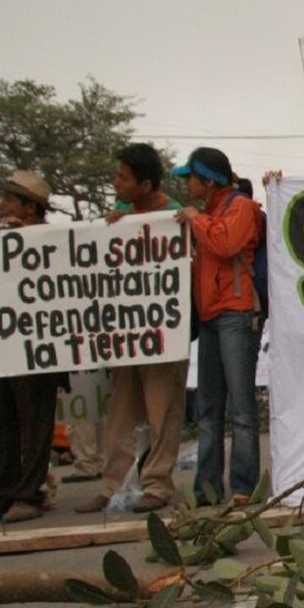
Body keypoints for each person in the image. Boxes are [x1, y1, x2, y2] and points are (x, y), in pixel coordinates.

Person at [76, 144, 189, 514]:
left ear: (145, 183)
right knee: (122, 413)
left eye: (123, 178)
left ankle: (157, 484)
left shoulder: (174, 218)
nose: (116, 184)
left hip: (162, 335)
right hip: (126, 337)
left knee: (162, 411)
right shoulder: (119, 217)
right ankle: (114, 485)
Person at [171, 147, 262, 505]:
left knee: (240, 407)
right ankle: (207, 490)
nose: (186, 184)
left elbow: (226, 244)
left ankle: (243, 486)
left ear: (207, 181)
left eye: (190, 177)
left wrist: (196, 220)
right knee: (208, 408)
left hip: (236, 314)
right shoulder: (207, 212)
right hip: (211, 316)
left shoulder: (242, 207)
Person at [0, 171, 66, 523]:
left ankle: (29, 493)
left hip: (35, 343)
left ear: (29, 207)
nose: (2, 205)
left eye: (9, 199)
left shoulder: (48, 239)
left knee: (34, 420)